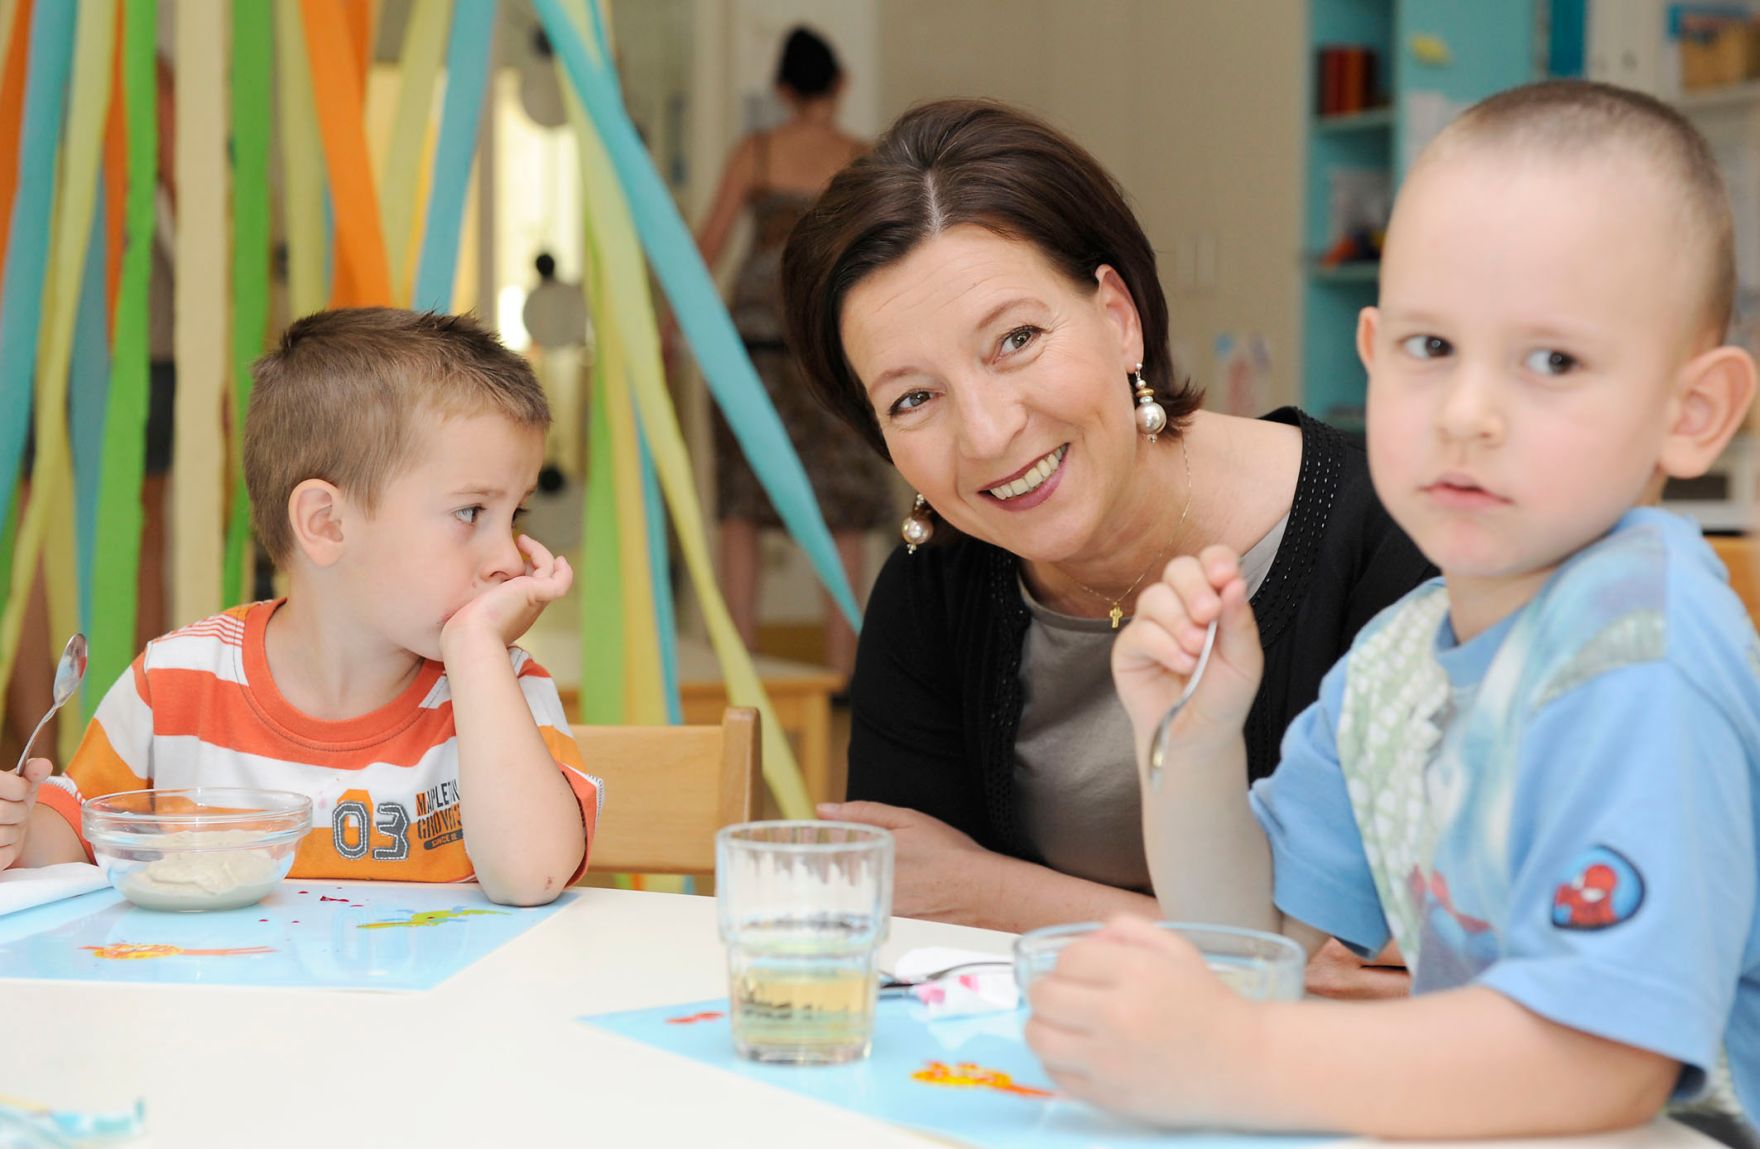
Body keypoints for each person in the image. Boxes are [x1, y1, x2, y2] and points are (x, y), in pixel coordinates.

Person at [1028, 80, 1760, 1141]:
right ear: (1370, 358)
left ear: (1689, 413)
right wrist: (1185, 744)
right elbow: (1256, 942)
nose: (1466, 413)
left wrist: (1238, 1056)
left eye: (1550, 361)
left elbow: (1605, 1063)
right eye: (1429, 349)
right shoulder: (1402, 654)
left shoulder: (1639, 645)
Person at [780, 99, 1433, 979]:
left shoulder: (1397, 533)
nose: (986, 431)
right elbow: (905, 912)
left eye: (1015, 339)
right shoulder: (933, 587)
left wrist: (998, 894)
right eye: (912, 397)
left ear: (1119, 315)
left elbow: (1421, 937)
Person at [0, 309, 600, 907]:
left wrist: (474, 652)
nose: (508, 558)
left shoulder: (501, 689)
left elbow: (532, 876)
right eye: (471, 513)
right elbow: (78, 841)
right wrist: (21, 834)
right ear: (327, 523)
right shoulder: (178, 684)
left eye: (514, 515)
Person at [694, 25, 889, 682]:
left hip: (749, 346)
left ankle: (739, 669)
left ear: (781, 88)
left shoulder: (758, 152)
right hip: (828, 342)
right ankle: (842, 671)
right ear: (841, 83)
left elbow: (707, 247)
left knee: (742, 508)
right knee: (844, 511)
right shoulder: (861, 157)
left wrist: (671, 330)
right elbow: (884, 256)